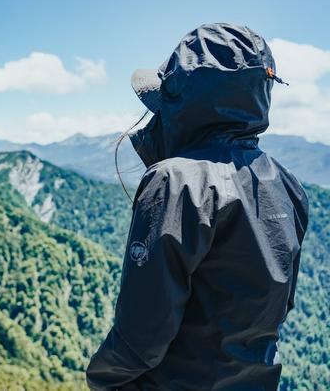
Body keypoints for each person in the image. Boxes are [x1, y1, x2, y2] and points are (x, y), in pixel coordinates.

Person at [86, 23, 308, 390]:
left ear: (184, 108)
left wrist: (100, 381)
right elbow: (278, 311)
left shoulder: (175, 182)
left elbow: (141, 337)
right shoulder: (287, 184)